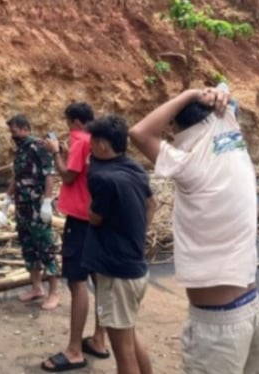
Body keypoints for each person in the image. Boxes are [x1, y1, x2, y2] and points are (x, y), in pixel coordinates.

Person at [129, 84, 259, 373]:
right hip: (252, 310)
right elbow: (226, 99)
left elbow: (139, 133)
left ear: (177, 129)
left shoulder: (190, 163)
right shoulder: (235, 145)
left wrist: (190, 94)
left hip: (217, 326)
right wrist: (219, 94)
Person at [83, 115, 155, 374]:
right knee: (130, 335)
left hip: (116, 275)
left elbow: (95, 217)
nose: (90, 146)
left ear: (103, 145)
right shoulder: (134, 167)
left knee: (122, 352)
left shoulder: (101, 177)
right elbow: (151, 204)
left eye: (93, 141)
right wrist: (135, 233)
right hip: (136, 268)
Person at [41, 102, 110, 372]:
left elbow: (68, 176)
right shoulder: (96, 141)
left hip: (80, 221)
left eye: (69, 123)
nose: (68, 128)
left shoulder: (79, 140)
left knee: (77, 282)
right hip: (95, 218)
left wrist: (56, 153)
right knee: (99, 280)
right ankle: (99, 339)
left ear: (77, 122)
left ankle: (74, 350)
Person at [1, 114, 59, 310]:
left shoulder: (39, 147)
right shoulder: (20, 150)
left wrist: (47, 202)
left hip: (37, 208)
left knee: (46, 249)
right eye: (11, 132)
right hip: (22, 208)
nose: (13, 136)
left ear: (26, 129)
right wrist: (7, 198)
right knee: (28, 249)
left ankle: (54, 293)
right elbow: (17, 177)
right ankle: (36, 288)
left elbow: (49, 174)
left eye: (15, 132)